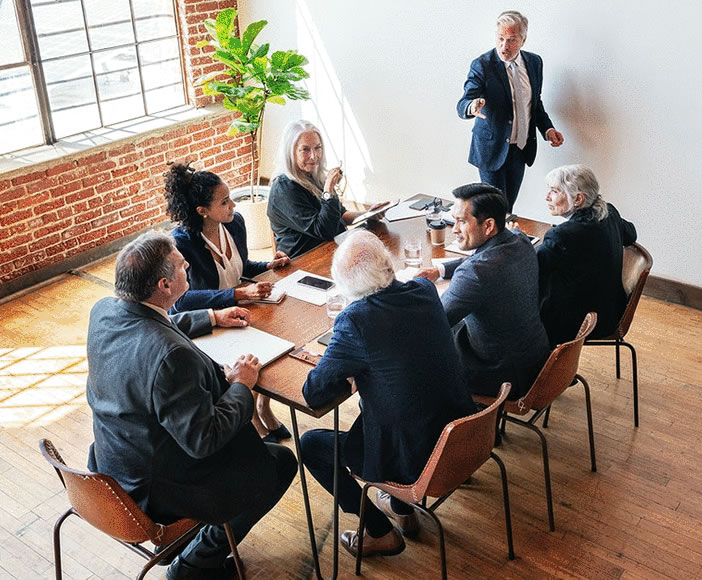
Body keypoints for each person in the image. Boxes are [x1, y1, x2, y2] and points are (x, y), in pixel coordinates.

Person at [85, 232, 297, 580]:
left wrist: (212, 317)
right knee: (278, 462)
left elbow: (152, 324)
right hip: (156, 486)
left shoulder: (105, 310)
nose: (189, 269)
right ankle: (197, 561)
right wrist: (242, 385)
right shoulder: (172, 357)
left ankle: (182, 544)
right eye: (183, 266)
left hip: (114, 460)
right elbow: (204, 440)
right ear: (165, 284)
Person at [300, 230, 475, 557]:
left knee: (310, 444)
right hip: (461, 438)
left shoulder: (355, 319)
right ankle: (402, 509)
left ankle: (379, 532)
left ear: (348, 286)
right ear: (388, 264)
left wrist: (349, 369)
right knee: (406, 404)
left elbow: (312, 392)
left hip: (417, 460)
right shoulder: (424, 290)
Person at [164, 162, 292, 443]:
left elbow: (240, 266)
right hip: (206, 320)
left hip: (237, 311)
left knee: (272, 345)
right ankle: (254, 421)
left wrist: (268, 264)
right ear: (202, 211)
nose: (233, 205)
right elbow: (181, 300)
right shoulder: (181, 244)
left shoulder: (235, 224)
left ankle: (262, 407)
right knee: (253, 355)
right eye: (225, 202)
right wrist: (238, 295)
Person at [418, 184, 549, 399]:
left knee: (419, 350)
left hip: (501, 376)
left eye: (461, 221)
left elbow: (434, 323)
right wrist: (440, 270)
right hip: (533, 358)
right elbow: (483, 258)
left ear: (488, 226)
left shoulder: (475, 274)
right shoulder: (521, 240)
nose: (454, 229)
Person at [456, 10, 564, 212]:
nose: (504, 46)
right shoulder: (482, 65)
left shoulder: (534, 62)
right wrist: (472, 106)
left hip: (520, 148)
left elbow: (535, 103)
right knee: (494, 211)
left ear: (523, 40)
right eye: (500, 38)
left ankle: (503, 242)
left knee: (508, 207)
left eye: (512, 40)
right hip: (491, 149)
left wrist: (548, 130)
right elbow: (464, 102)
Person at [535, 164, 638, 346]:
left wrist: (517, 238)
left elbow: (531, 267)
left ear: (578, 199)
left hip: (580, 322)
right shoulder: (609, 213)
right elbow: (631, 234)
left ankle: (541, 371)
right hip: (611, 312)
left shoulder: (563, 236)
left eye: (554, 191)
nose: (547, 197)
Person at [267, 120, 374, 257]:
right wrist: (328, 190)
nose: (314, 156)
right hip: (305, 261)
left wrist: (370, 214)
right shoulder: (284, 188)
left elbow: (341, 215)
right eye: (305, 149)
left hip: (331, 249)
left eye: (317, 147)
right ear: (290, 152)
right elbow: (324, 230)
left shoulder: (313, 175)